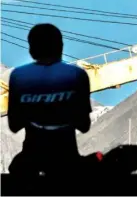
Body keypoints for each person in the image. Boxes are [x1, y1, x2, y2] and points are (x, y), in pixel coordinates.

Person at [8, 23, 92, 175]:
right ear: (60, 46)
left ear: (32, 50)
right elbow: (84, 125)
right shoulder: (78, 75)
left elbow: (14, 125)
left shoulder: (18, 76)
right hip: (68, 160)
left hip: (31, 160)